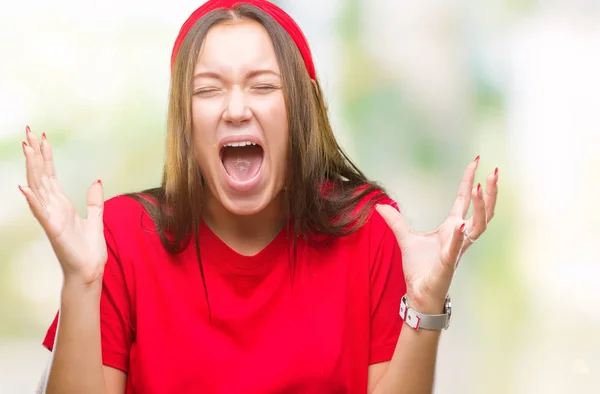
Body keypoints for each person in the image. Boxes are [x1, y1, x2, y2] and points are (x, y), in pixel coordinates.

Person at [21, 1, 498, 393]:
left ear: (302, 108)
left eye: (263, 86)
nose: (235, 109)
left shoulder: (371, 230)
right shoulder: (121, 237)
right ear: (184, 120)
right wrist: (81, 283)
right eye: (207, 89)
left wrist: (426, 302)